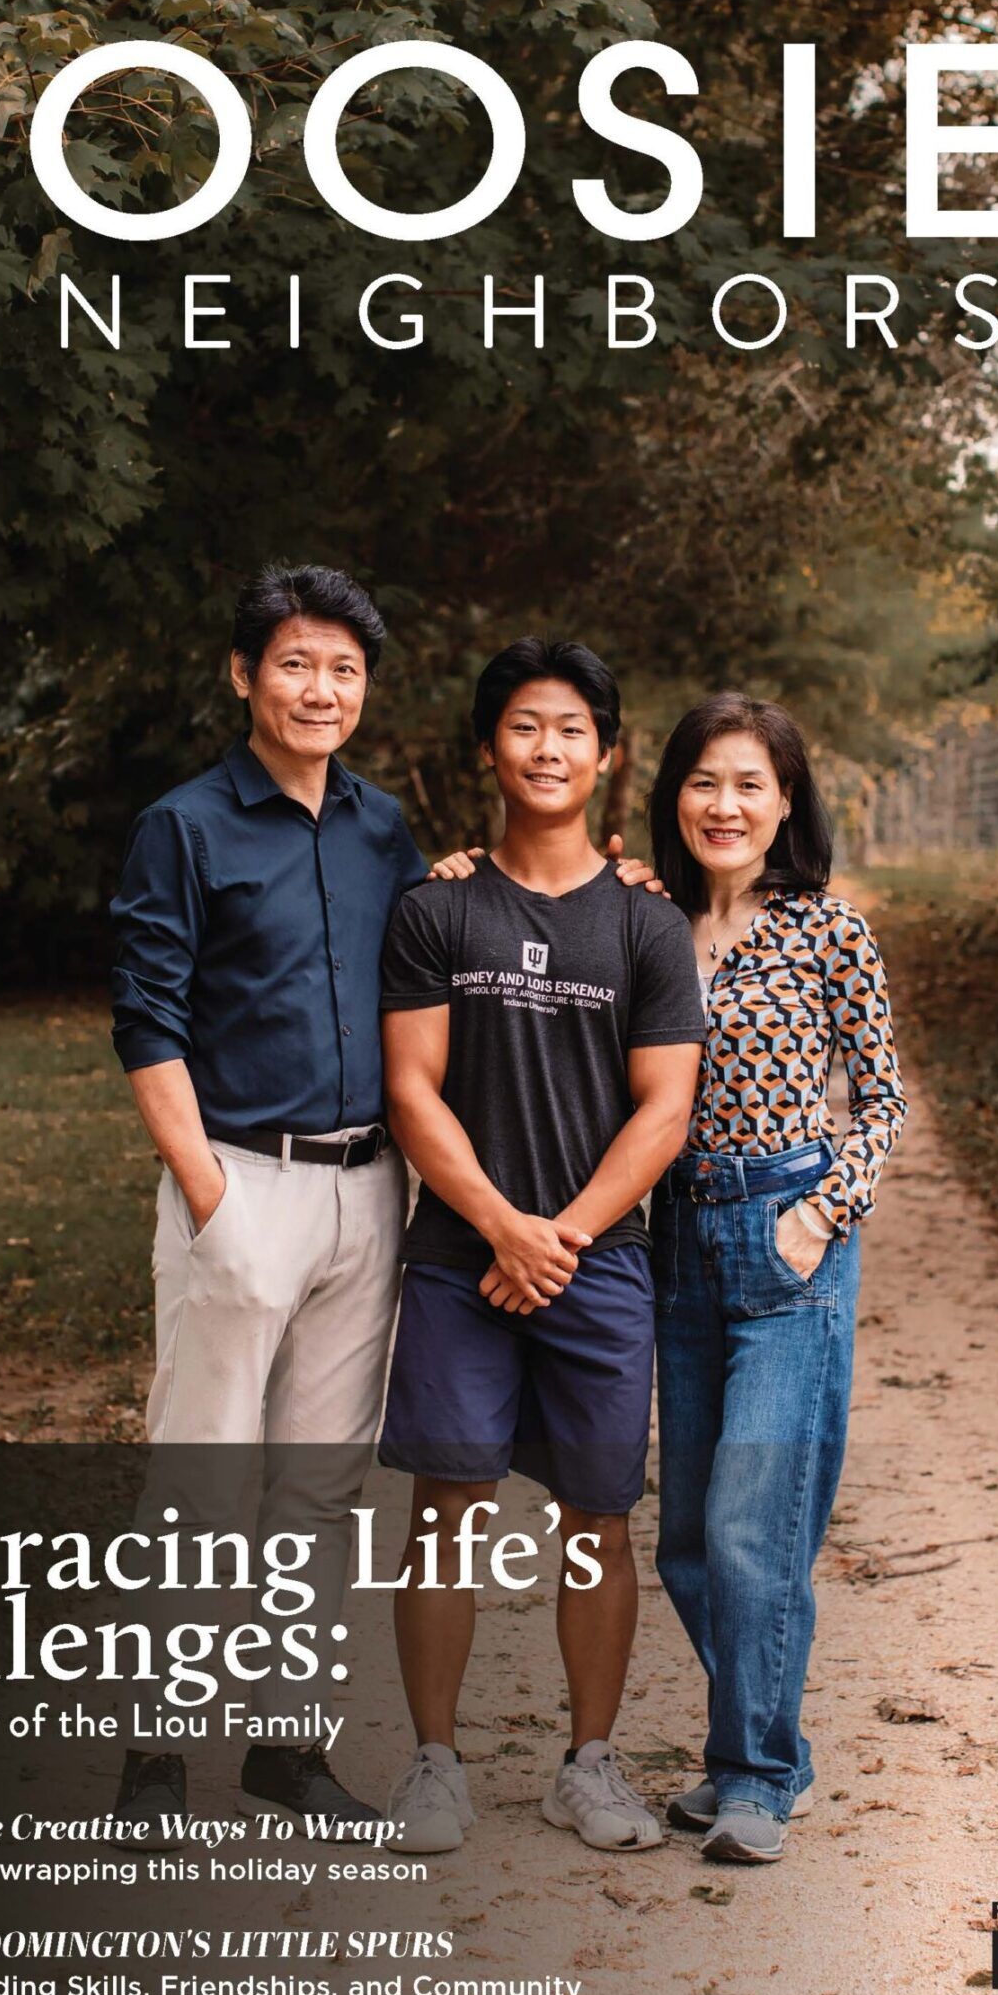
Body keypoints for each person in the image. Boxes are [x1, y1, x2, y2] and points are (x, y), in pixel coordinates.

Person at [106, 562, 424, 1839]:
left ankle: (285, 1749)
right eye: (296, 662)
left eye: (343, 668)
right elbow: (147, 1017)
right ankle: (153, 1761)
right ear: (245, 675)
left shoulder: (382, 827)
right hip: (238, 1183)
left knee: (320, 1485)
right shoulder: (184, 825)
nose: (320, 687)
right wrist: (206, 1193)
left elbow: (432, 958)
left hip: (368, 1191)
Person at [377, 639, 706, 1855]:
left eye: (573, 728)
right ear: (489, 746)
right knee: (447, 1509)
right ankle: (434, 1764)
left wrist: (556, 1235)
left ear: (606, 754)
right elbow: (412, 1090)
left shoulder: (645, 925)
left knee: (596, 1514)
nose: (549, 747)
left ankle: (590, 1762)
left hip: (598, 1260)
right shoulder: (437, 906)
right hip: (459, 1257)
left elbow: (663, 1110)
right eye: (524, 725)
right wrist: (500, 1227)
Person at [648, 694, 907, 1864]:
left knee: (754, 1531)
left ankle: (753, 1775)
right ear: (674, 795)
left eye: (750, 782)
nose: (725, 804)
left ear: (786, 800)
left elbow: (885, 1100)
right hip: (675, 1238)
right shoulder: (641, 923)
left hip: (787, 1234)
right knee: (688, 1546)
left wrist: (819, 1213)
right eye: (705, 780)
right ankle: (763, 1751)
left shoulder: (827, 930)